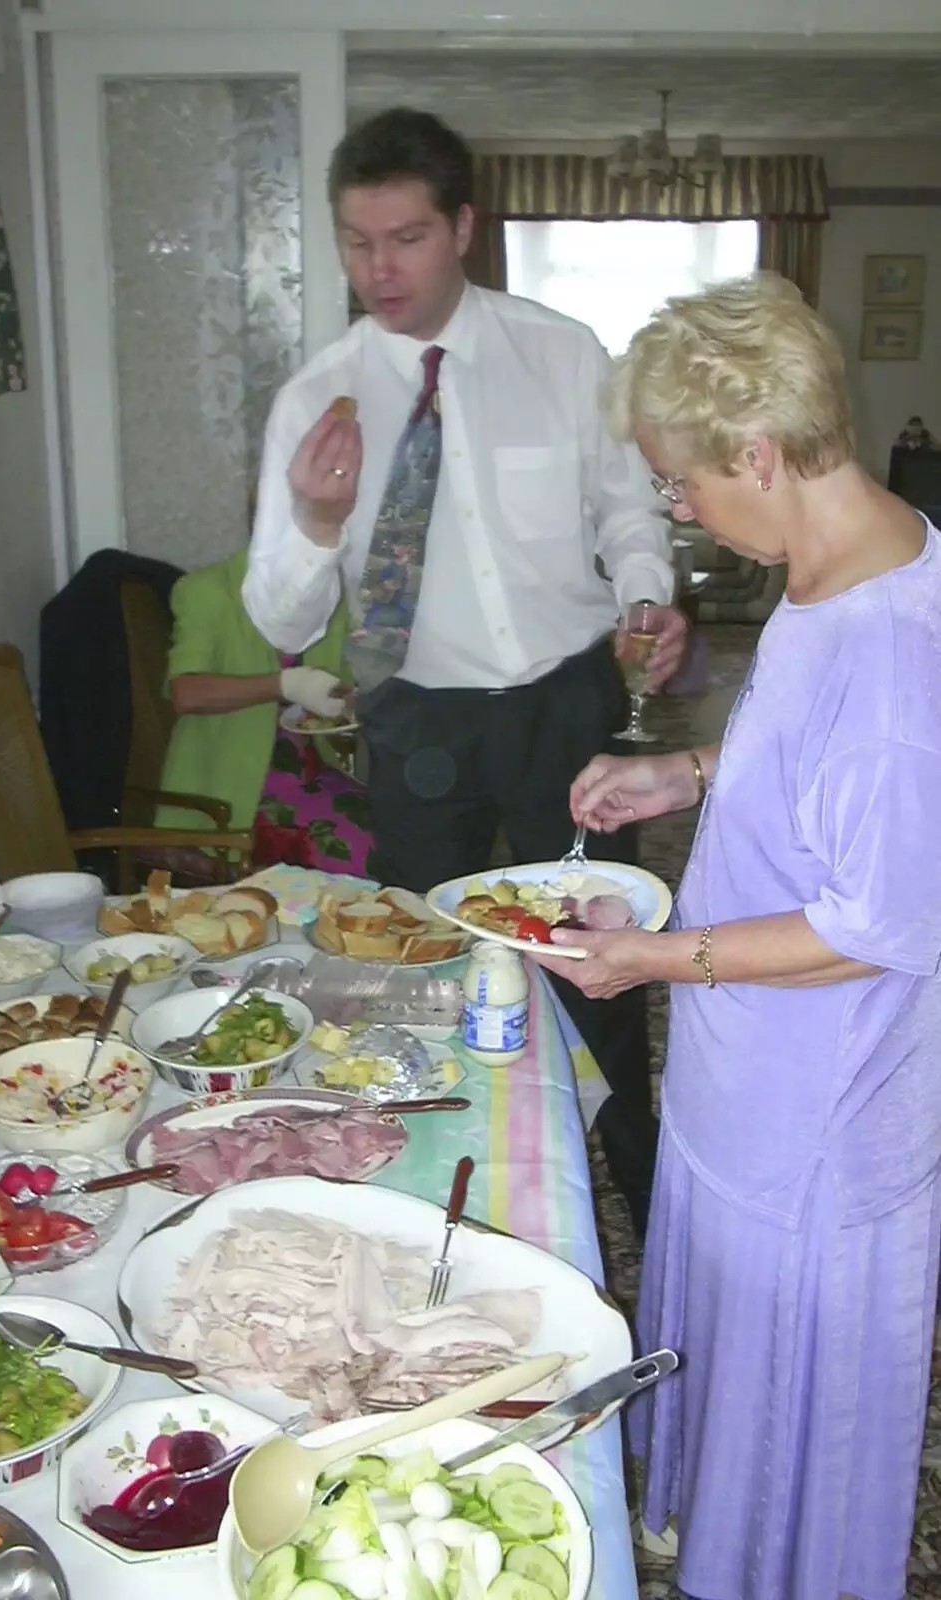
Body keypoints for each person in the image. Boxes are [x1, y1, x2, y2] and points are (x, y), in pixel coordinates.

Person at [537, 274, 941, 1600]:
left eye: (680, 480)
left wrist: (648, 959)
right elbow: (801, 760)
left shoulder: (890, 656)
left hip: (813, 1117)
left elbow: (866, 924)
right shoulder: (835, 561)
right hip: (745, 1077)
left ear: (757, 454)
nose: (673, 506)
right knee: (720, 1333)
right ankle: (700, 1521)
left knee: (790, 1392)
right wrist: (686, 775)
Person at [242, 105, 688, 1233]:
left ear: (462, 229)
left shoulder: (560, 350)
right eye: (355, 242)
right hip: (415, 715)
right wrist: (309, 516)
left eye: (405, 239)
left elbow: (626, 508)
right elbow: (278, 619)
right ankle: (444, 1189)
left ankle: (635, 1179)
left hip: (562, 702)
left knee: (597, 955)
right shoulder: (317, 399)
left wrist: (645, 596)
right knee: (414, 967)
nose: (377, 270)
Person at [157, 549, 374, 875]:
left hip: (313, 775)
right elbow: (186, 694)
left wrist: (350, 703)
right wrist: (284, 685)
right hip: (230, 794)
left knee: (406, 829)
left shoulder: (329, 595)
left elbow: (336, 687)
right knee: (357, 851)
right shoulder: (208, 591)